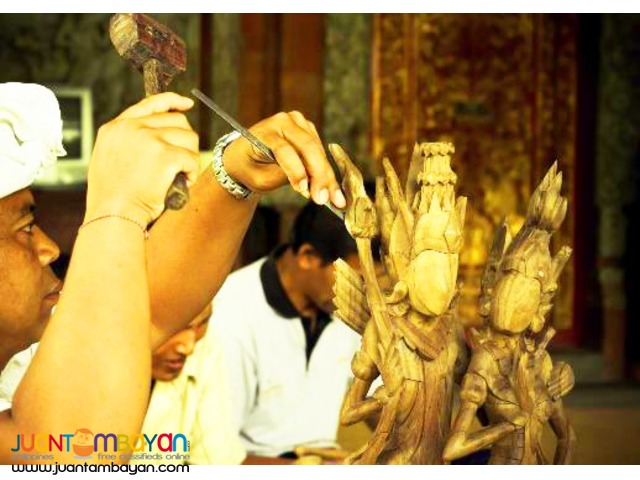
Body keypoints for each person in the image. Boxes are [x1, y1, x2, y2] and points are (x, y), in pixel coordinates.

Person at [0, 81, 345, 464]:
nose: (48, 248)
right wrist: (117, 205)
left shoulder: (32, 356)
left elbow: (145, 311)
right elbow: (68, 456)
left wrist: (234, 174)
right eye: (25, 227)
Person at [211, 202, 363, 460]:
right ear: (307, 257)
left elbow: (376, 400)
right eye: (355, 279)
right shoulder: (231, 314)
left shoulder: (349, 309)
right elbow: (214, 456)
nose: (363, 292)